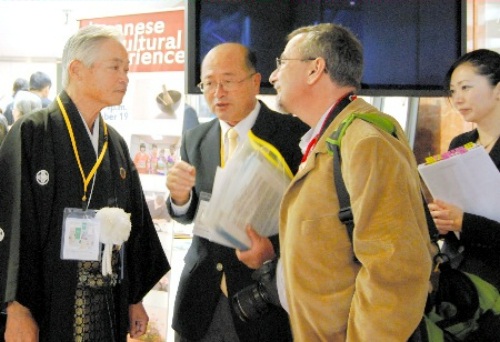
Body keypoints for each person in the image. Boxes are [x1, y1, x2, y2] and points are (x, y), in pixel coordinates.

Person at [237, 23, 434, 341]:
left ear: (316, 69)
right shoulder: (329, 138)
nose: (273, 77)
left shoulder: (365, 142)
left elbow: (396, 273)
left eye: (281, 64)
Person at [0, 25, 170, 341]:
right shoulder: (31, 134)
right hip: (49, 302)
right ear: (77, 70)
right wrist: (16, 308)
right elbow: (12, 224)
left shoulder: (114, 143)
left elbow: (137, 224)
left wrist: (135, 298)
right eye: (115, 67)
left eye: (127, 69)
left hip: (107, 300)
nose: (125, 77)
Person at [166, 42, 308, 342]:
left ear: (256, 81)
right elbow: (189, 213)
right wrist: (180, 199)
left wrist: (273, 249)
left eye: (228, 81)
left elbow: (312, 220)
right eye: (208, 83)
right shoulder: (196, 138)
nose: (217, 92)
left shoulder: (293, 135)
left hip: (262, 298)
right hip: (200, 297)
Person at [429, 49, 500, 291]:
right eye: (453, 91)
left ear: (498, 89)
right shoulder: (460, 143)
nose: (457, 98)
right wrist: (443, 220)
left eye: (466, 87)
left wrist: (464, 222)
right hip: (465, 279)